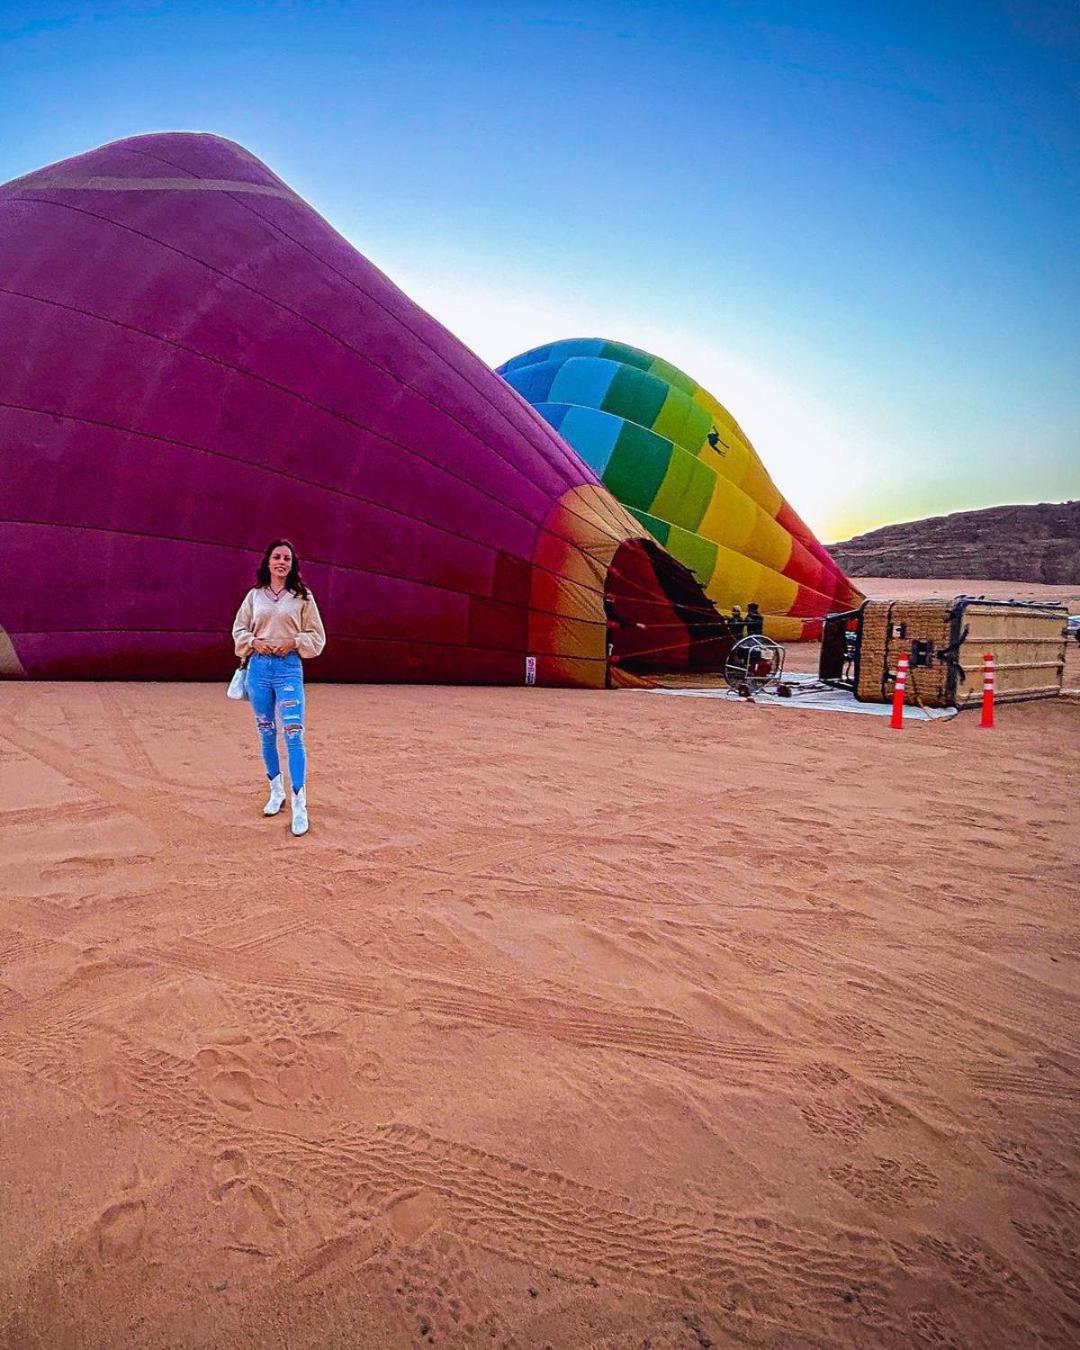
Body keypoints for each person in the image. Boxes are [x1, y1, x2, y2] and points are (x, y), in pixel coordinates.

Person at [232, 539, 326, 836]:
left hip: (288, 669)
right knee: (266, 731)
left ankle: (300, 802)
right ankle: (276, 790)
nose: (281, 562)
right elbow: (239, 629)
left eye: (286, 558)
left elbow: (316, 636)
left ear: (292, 563)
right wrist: (253, 642)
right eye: (276, 557)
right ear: (268, 562)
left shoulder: (302, 597)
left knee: (294, 733)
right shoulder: (255, 596)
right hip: (259, 669)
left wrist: (293, 642)